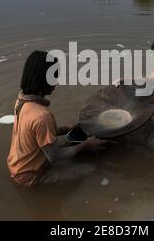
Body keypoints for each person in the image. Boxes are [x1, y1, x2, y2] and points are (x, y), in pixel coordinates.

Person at [7, 50, 108, 187]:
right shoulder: (42, 116)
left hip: (16, 165)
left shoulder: (21, 101)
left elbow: (36, 133)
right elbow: (55, 157)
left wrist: (67, 129)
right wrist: (85, 145)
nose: (56, 82)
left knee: (67, 140)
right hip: (32, 176)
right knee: (93, 169)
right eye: (54, 77)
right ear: (44, 80)